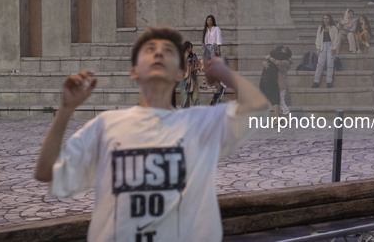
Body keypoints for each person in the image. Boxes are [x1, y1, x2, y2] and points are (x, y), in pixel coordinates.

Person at [34, 27, 270, 242]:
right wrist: (66, 109)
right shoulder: (106, 125)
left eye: (167, 51)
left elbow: (258, 105)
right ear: (134, 71)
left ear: (180, 73)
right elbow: (45, 172)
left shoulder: (201, 123)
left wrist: (224, 73)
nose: (158, 54)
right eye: (150, 50)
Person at [202, 15, 224, 105]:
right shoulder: (205, 30)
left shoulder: (216, 29)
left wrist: (218, 49)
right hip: (206, 47)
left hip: (213, 47)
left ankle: (219, 84)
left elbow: (218, 39)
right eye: (208, 20)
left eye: (210, 20)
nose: (209, 22)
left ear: (213, 21)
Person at [312, 15, 339, 88]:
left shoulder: (334, 28)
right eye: (324, 18)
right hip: (323, 46)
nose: (325, 20)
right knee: (320, 64)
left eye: (327, 18)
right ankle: (316, 81)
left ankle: (329, 81)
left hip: (331, 46)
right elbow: (318, 38)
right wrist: (318, 47)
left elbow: (337, 39)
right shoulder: (320, 28)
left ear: (330, 19)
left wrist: (334, 48)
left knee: (330, 64)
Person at [266, 46, 292, 115]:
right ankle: (281, 118)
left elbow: (277, 62)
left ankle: (287, 114)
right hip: (277, 84)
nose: (281, 50)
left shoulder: (285, 62)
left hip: (281, 84)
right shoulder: (283, 60)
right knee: (278, 102)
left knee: (281, 102)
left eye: (283, 50)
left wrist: (270, 58)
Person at [179, 41, 200, 108]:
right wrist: (185, 56)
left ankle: (194, 114)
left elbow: (196, 66)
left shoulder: (194, 56)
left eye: (191, 47)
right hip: (185, 80)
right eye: (188, 48)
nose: (190, 49)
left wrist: (196, 68)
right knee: (185, 101)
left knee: (196, 98)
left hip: (193, 80)